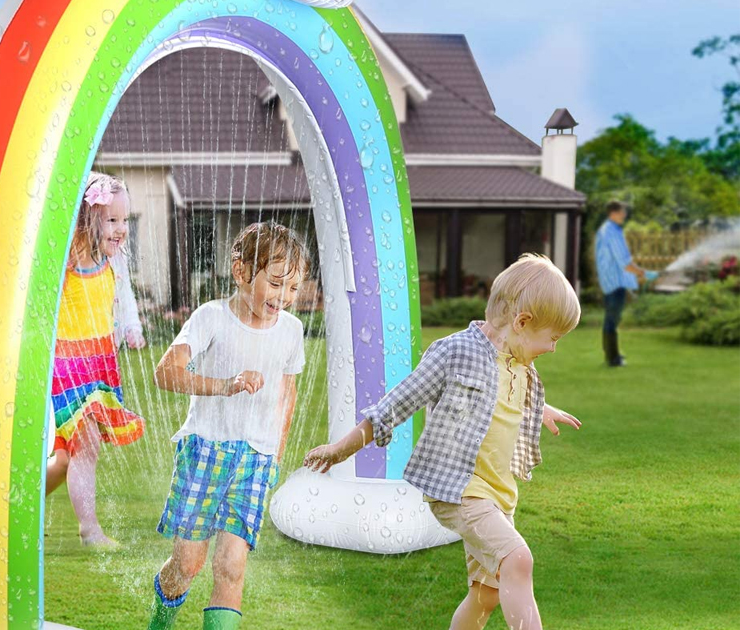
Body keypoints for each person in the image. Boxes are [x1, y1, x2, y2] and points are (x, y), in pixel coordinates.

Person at [304, 254, 584, 630]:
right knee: (519, 560)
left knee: (486, 594)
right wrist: (341, 449)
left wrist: (541, 408)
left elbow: (500, 395)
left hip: (499, 495)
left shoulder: (517, 361)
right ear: (521, 322)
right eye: (553, 338)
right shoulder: (453, 353)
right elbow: (395, 405)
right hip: (461, 490)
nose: (553, 349)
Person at [147, 222, 308, 630]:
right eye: (275, 284)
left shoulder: (292, 331)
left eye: (293, 287)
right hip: (205, 451)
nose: (284, 298)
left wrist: (276, 454)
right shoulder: (211, 318)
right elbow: (165, 373)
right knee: (188, 563)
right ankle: (159, 622)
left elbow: (286, 394)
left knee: (232, 568)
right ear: (240, 272)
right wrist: (224, 385)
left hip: (255, 459)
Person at [43, 172, 146, 547]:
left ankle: (18, 508)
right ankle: (90, 531)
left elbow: (125, 296)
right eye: (112, 220)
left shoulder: (113, 263)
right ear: (88, 218)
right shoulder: (65, 261)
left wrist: (131, 327)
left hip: (100, 363)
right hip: (67, 365)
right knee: (86, 446)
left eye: (125, 221)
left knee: (67, 458)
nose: (121, 230)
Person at [594, 200, 655, 367]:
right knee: (612, 320)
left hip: (611, 281)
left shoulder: (608, 229)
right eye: (622, 212)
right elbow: (624, 261)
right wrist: (643, 272)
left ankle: (612, 356)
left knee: (612, 319)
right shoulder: (611, 232)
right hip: (615, 282)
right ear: (613, 213)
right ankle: (613, 359)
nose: (625, 215)